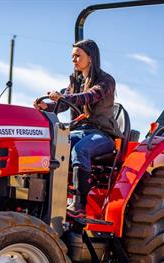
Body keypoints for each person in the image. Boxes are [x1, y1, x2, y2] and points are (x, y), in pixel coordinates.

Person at [34, 39, 122, 217]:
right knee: (54, 146)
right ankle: (48, 196)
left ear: (90, 57)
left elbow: (88, 97)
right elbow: (65, 104)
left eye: (77, 56)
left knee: (80, 150)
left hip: (103, 135)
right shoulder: (75, 81)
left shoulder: (106, 81)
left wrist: (63, 97)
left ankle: (79, 202)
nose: (73, 60)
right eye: (72, 56)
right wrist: (47, 107)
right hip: (80, 131)